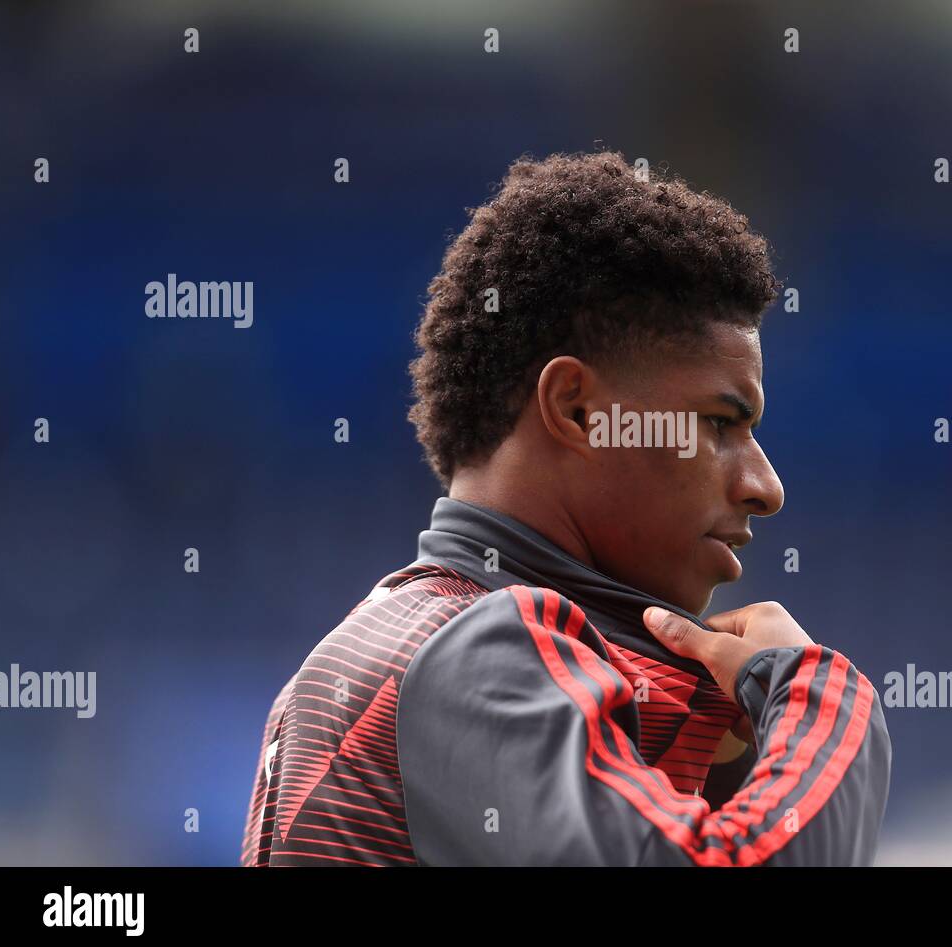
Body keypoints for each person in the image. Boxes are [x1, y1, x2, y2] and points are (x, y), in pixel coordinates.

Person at [240, 150, 891, 866]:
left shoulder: (392, 639)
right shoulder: (481, 651)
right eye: (719, 424)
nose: (765, 487)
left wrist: (727, 758)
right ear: (579, 411)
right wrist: (817, 695)